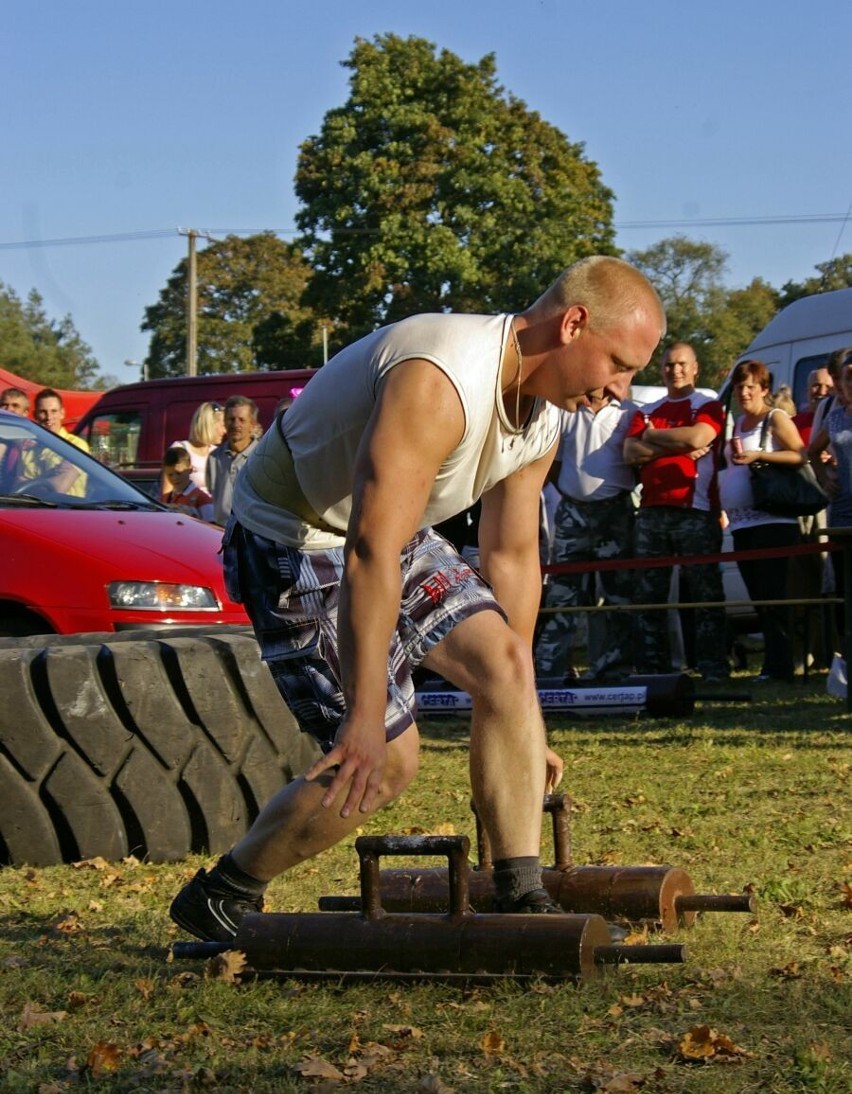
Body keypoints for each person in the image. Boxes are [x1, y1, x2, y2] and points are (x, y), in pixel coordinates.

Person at [169, 255, 666, 943]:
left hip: (391, 529)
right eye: (618, 364)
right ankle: (224, 892)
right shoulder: (439, 378)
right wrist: (366, 716)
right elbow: (367, 550)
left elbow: (512, 554)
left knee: (507, 666)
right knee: (388, 763)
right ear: (574, 322)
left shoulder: (545, 418)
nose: (620, 389)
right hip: (296, 536)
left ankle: (519, 894)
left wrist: (522, 714)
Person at [623, 343, 729, 682]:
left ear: (695, 368)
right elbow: (630, 451)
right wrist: (675, 443)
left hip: (695, 511)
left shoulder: (708, 405)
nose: (675, 370)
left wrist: (653, 438)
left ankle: (712, 668)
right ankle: (653, 670)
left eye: (682, 364)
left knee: (705, 595)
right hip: (652, 512)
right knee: (648, 597)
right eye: (669, 365)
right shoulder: (648, 411)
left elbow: (700, 435)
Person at [534, 390, 638, 684]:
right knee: (563, 594)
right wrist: (571, 493)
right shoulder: (567, 410)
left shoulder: (627, 412)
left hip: (615, 513)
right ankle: (549, 672)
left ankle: (614, 670)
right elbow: (552, 464)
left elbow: (637, 462)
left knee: (618, 594)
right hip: (572, 513)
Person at [719, 359, 807, 682]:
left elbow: (800, 454)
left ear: (764, 390)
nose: (743, 392)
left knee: (774, 597)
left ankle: (780, 666)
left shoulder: (774, 418)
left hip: (772, 523)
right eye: (739, 386)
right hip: (742, 525)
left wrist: (759, 456)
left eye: (750, 387)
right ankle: (773, 663)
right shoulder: (739, 422)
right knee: (759, 598)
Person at [808, 356, 852, 639]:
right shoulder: (835, 417)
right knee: (845, 583)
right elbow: (813, 451)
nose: (851, 384)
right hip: (844, 508)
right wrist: (824, 477)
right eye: (847, 378)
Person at [18, 388, 91, 497]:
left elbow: (59, 488)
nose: (49, 417)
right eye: (43, 412)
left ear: (62, 413)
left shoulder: (76, 446)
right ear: (35, 415)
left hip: (66, 511)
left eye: (54, 411)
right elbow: (17, 485)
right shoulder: (28, 449)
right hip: (32, 511)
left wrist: (30, 484)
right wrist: (50, 477)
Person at [206, 395, 260, 525]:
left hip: (254, 533)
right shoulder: (214, 458)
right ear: (224, 422)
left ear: (252, 424)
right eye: (231, 419)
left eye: (242, 420)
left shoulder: (262, 456)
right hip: (221, 532)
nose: (236, 425)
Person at [170, 401, 226, 489]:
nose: (225, 431)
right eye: (223, 426)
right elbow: (167, 493)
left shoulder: (218, 453)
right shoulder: (180, 449)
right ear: (210, 424)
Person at [159, 445, 215, 521]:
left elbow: (212, 528)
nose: (174, 478)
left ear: (190, 470)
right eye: (170, 474)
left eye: (179, 473)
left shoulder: (202, 499)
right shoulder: (166, 498)